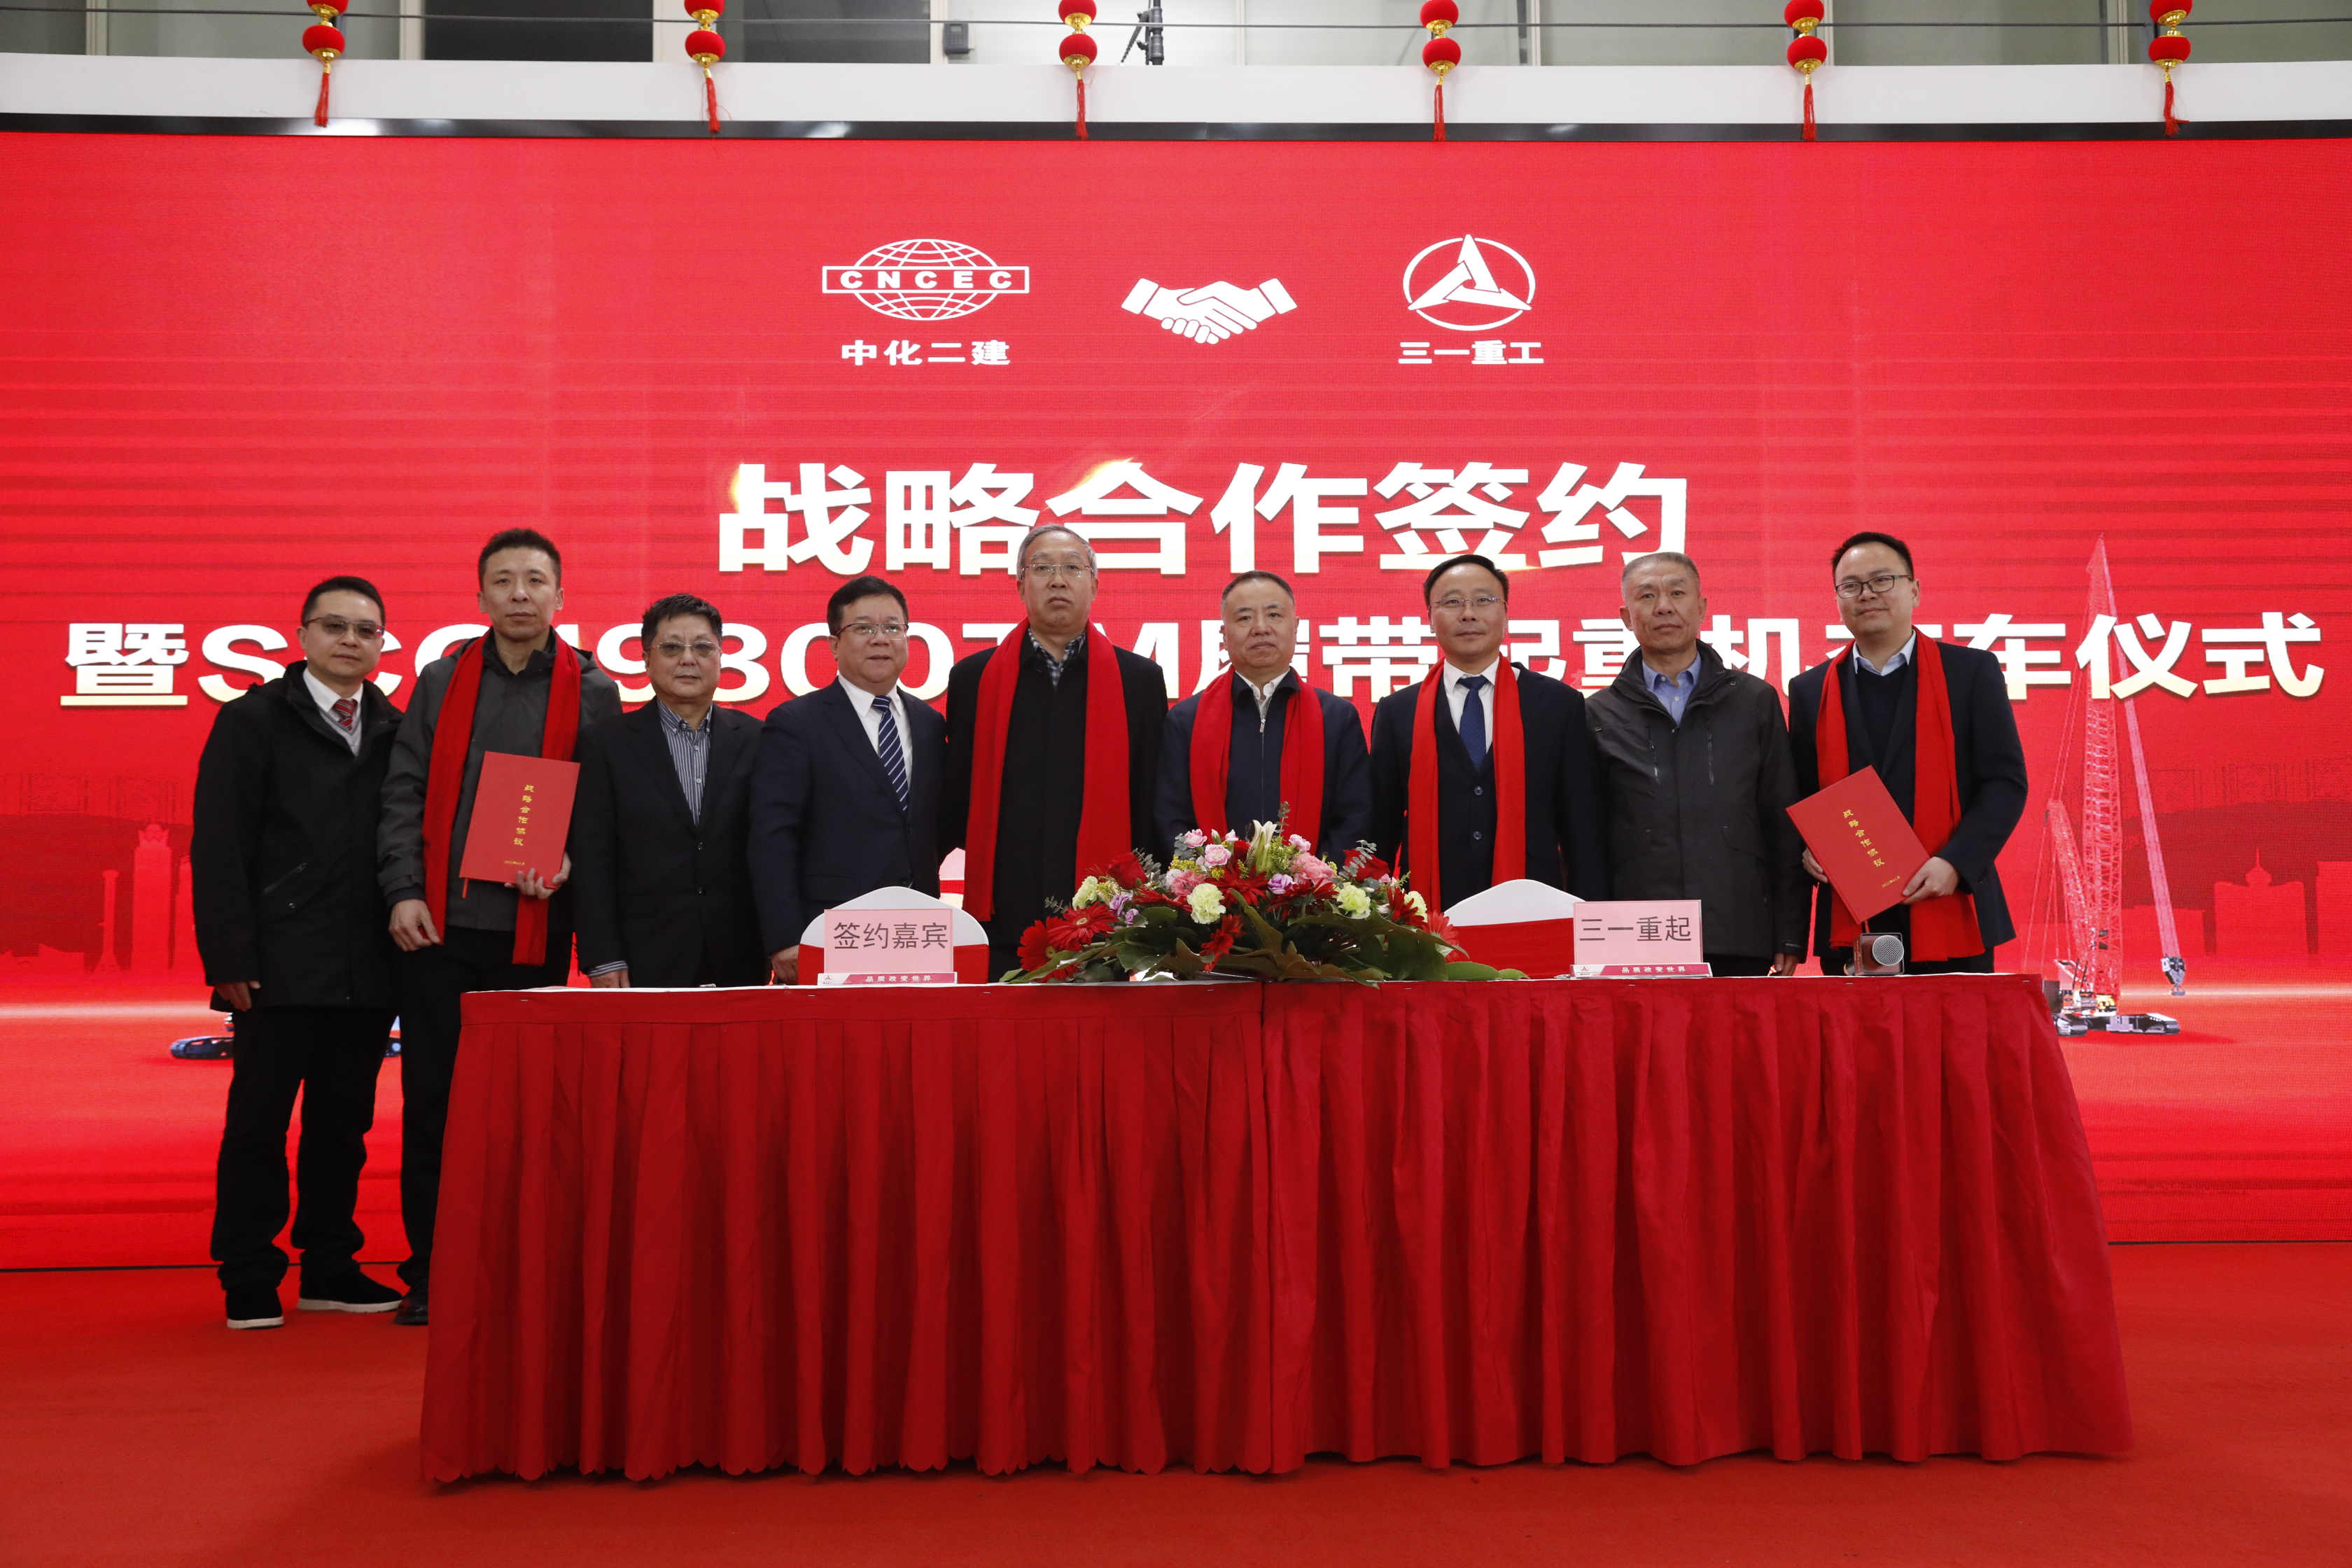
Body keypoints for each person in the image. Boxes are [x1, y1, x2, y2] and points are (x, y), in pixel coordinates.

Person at [377, 528, 621, 1324]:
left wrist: (569, 862)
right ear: (480, 595)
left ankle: (522, 1266)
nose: (520, 593)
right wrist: (403, 889)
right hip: (439, 927)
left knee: (527, 1110)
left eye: (536, 580)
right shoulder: (443, 679)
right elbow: (405, 789)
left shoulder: (594, 689)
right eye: (505, 580)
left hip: (533, 931)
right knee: (436, 1102)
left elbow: (599, 805)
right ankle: (432, 1269)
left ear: (561, 595)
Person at [191, 576, 406, 1330]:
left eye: (366, 630)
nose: (351, 640)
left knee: (342, 1126)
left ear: (382, 644)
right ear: (304, 635)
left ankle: (329, 1265)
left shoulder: (396, 728)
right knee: (258, 1122)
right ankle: (249, 1272)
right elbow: (220, 845)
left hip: (367, 963)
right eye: (335, 626)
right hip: (276, 961)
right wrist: (228, 956)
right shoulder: (253, 720)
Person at [1788, 531, 2027, 974]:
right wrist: (1807, 846)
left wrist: (1956, 863)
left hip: (1951, 903)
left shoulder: (1970, 672)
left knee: (1952, 1022)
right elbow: (1801, 791)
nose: (1867, 594)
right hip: (1851, 910)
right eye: (1851, 585)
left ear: (1914, 590)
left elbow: (2005, 783)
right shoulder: (1810, 689)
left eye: (1882, 580)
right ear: (1837, 599)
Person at [944, 524, 1168, 978]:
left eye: (1072, 568)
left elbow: (1149, 800)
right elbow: (958, 796)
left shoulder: (1140, 681)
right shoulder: (974, 679)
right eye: (1042, 568)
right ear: (1020, 585)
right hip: (1004, 912)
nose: (1058, 580)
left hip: (1108, 916)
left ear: (1095, 585)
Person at [1585, 552, 1807, 976]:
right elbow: (1588, 837)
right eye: (1646, 596)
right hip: (1637, 932)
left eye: (1677, 593)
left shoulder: (1753, 700)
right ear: (1626, 617)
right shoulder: (1599, 713)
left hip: (1737, 926)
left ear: (1702, 607)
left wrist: (1789, 932)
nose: (1663, 607)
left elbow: (1781, 822)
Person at [1368, 554, 1609, 911]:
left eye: (1484, 600)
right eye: (1452, 602)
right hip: (1428, 914)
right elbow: (1379, 828)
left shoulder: (1558, 704)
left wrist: (1588, 917)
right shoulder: (1397, 711)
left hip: (1534, 910)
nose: (1469, 614)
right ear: (1430, 619)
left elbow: (1582, 829)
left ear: (1506, 614)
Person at [749, 575, 949, 980]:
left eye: (892, 627)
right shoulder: (796, 723)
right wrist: (784, 936)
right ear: (834, 644)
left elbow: (935, 824)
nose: (881, 639)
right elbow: (772, 838)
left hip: (918, 927)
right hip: (829, 929)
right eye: (864, 628)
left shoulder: (930, 723)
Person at [570, 594, 765, 989]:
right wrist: (603, 957)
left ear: (721, 658)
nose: (688, 659)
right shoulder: (605, 744)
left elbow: (774, 850)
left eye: (703, 648)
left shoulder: (759, 739)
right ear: (646, 659)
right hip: (643, 956)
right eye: (672, 648)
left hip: (740, 953)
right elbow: (592, 861)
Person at [1156, 570, 1372, 861]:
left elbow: (1356, 815)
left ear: (1295, 627)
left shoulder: (1337, 718)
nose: (1260, 628)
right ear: (1224, 634)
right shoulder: (1186, 721)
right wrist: (1208, 878)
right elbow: (1171, 817)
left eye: (1274, 615)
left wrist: (1311, 877)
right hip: (1211, 886)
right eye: (1245, 618)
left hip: (1316, 887)